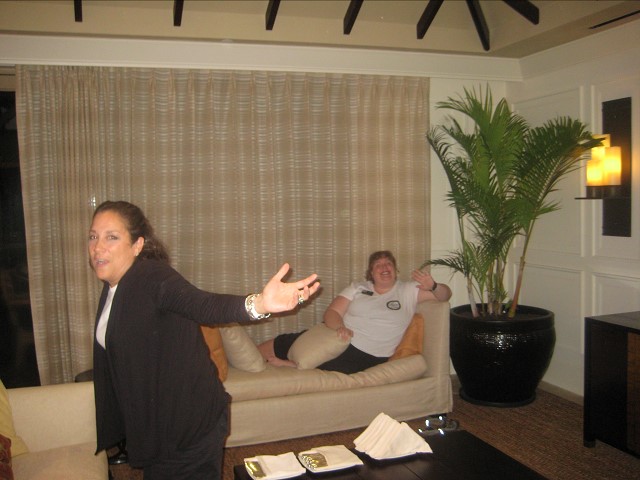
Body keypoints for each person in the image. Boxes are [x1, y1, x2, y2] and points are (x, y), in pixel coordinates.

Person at [88, 200, 319, 480]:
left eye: (111, 237)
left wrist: (259, 304)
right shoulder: (114, 287)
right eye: (93, 237)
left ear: (137, 245)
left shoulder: (152, 276)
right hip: (162, 422)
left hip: (189, 425)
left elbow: (202, 305)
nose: (98, 247)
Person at [258, 250, 451, 374]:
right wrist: (339, 328)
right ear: (371, 273)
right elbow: (332, 312)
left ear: (395, 270)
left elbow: (445, 295)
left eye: (388, 264)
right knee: (283, 342)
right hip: (338, 336)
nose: (384, 268)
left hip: (368, 353)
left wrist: (434, 286)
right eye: (378, 265)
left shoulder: (408, 290)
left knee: (334, 363)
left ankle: (294, 365)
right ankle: (247, 364)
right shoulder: (358, 287)